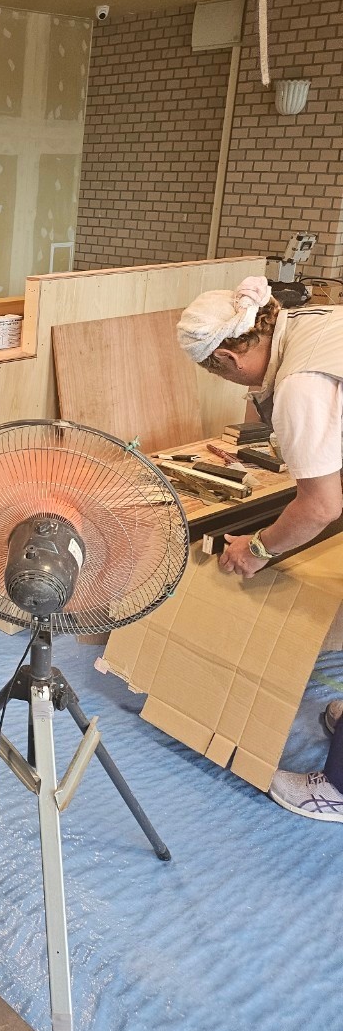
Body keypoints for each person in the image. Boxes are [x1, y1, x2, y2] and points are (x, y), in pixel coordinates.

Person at [176, 275, 343, 821]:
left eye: (218, 372)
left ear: (227, 357)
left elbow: (319, 507)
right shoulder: (309, 323)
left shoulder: (301, 383)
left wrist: (258, 549)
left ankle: (337, 788)